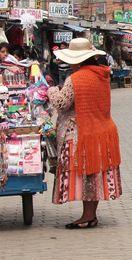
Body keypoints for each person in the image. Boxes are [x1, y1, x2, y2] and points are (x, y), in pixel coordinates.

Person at [47, 38, 122, 229]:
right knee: (94, 174)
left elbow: (63, 103)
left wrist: (52, 91)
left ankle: (87, 217)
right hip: (102, 130)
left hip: (82, 133)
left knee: (86, 174)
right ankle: (90, 214)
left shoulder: (76, 79)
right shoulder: (102, 75)